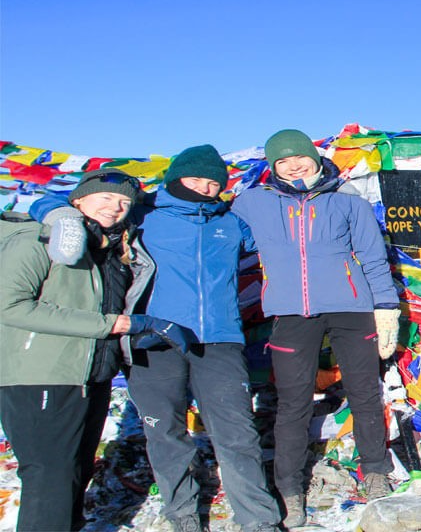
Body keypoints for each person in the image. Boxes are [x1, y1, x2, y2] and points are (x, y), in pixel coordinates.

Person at [31, 146, 284, 532]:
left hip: (217, 340)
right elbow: (60, 201)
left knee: (237, 434)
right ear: (175, 177)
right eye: (195, 178)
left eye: (214, 182)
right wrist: (60, 215)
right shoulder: (142, 213)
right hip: (153, 339)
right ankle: (182, 517)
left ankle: (259, 520)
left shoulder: (231, 223)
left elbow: (284, 242)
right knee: (166, 434)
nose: (205, 187)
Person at [231, 129, 400, 527]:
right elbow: (215, 233)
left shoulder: (346, 202)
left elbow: (373, 258)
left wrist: (386, 307)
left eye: (299, 158)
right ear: (272, 167)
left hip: (351, 309)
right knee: (292, 403)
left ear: (314, 158)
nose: (293, 166)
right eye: (283, 161)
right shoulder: (252, 203)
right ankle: (290, 490)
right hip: (290, 314)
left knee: (363, 393)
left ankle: (375, 471)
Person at [0, 169, 168, 531]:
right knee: (50, 477)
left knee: (75, 471)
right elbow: (9, 306)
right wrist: (110, 325)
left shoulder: (110, 251)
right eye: (106, 198)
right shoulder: (36, 238)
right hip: (40, 375)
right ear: (78, 199)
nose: (116, 207)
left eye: (124, 202)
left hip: (91, 376)